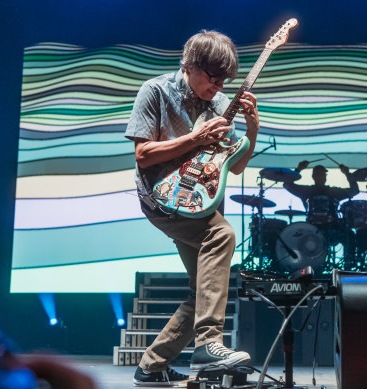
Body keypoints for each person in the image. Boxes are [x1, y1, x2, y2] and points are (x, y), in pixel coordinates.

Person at [125, 30, 259, 386]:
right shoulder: (155, 91)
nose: (217, 87)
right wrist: (193, 139)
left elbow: (237, 164)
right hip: (160, 199)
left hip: (195, 204)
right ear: (189, 65)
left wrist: (253, 127)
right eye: (212, 78)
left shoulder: (219, 105)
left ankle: (151, 366)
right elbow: (142, 155)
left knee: (201, 290)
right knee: (222, 233)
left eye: (224, 81)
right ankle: (209, 342)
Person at [283, 161, 360, 266]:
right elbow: (287, 185)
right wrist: (298, 169)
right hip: (312, 230)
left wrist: (347, 173)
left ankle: (349, 264)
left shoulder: (332, 191)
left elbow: (355, 190)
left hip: (333, 229)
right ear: (313, 176)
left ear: (325, 177)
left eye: (323, 175)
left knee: (349, 235)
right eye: (319, 175)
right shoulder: (307, 190)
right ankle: (304, 265)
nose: (321, 177)